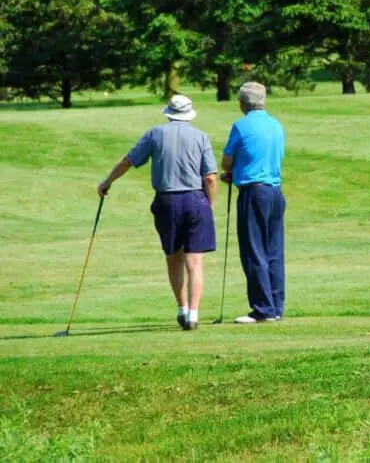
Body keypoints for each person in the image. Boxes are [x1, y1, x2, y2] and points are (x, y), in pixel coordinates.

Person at [97, 94, 218, 331]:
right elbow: (211, 178)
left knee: (174, 256)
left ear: (169, 113)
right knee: (195, 261)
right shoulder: (201, 136)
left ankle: (182, 309)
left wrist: (107, 181)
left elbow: (129, 161)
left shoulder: (155, 134)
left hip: (166, 200)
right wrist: (209, 205)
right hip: (195, 199)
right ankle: (194, 313)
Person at [221, 81, 286, 324]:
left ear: (242, 103)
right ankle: (276, 307)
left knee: (254, 250)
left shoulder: (241, 126)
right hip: (275, 192)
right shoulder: (276, 125)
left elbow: (227, 162)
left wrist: (233, 172)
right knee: (274, 251)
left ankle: (262, 309)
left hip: (253, 192)